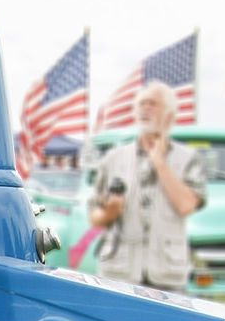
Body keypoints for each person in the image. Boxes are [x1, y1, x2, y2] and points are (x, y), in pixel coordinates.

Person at [86, 82, 207, 292]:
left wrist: (160, 163)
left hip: (167, 276)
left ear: (169, 115)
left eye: (153, 104)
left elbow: (186, 205)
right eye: (141, 104)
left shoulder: (188, 159)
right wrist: (110, 212)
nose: (145, 109)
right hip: (119, 273)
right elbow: (94, 216)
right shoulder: (114, 159)